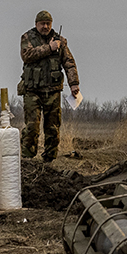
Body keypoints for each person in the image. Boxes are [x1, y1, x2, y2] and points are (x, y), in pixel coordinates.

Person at [18, 11, 81, 162]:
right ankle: (28, 160)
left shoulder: (61, 41)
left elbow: (69, 63)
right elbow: (27, 55)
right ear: (36, 24)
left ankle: (49, 162)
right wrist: (50, 48)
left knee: (53, 128)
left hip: (52, 92)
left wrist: (74, 84)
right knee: (32, 128)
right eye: (42, 24)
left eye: (48, 23)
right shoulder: (27, 37)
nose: (45, 26)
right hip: (32, 91)